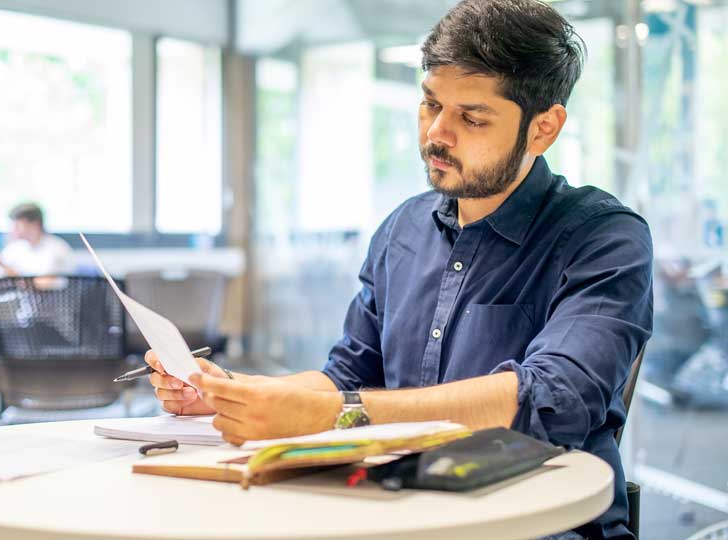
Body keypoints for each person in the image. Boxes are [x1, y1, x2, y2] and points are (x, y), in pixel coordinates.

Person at [143, 2, 651, 539]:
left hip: (539, 526)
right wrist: (236, 394)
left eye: (472, 118)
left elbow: (553, 401)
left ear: (543, 129)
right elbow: (348, 378)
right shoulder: (402, 230)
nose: (437, 133)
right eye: (430, 104)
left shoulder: (603, 238)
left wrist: (330, 415)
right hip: (403, 513)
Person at [0, 203, 75, 278]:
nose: (13, 229)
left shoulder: (57, 249)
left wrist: (1, 264)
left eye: (17, 225)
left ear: (35, 224)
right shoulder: (15, 248)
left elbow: (43, 284)